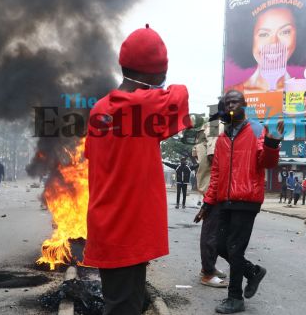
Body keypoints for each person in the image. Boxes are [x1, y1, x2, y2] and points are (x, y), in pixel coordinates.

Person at [84, 24, 191, 315]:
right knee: (123, 309)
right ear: (154, 73)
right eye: (162, 70)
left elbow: (92, 157)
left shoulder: (99, 110)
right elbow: (180, 95)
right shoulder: (145, 106)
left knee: (122, 304)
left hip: (107, 226)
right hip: (129, 231)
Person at [194, 90, 283, 314]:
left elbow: (266, 163)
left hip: (247, 199)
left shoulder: (256, 129)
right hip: (224, 200)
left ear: (244, 104)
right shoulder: (223, 137)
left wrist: (272, 143)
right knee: (220, 245)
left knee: (234, 248)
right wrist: (207, 203)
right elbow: (216, 174)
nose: (230, 105)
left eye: (235, 101)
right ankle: (252, 272)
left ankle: (235, 298)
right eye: (226, 102)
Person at [227, 3, 306, 94]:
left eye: (285, 32)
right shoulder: (232, 96)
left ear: (299, 36)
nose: (274, 43)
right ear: (249, 39)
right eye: (264, 34)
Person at [194, 115, 229, 288]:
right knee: (212, 231)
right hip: (215, 186)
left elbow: (197, 155)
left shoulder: (205, 127)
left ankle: (208, 268)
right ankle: (207, 273)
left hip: (209, 184)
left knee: (214, 230)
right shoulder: (216, 126)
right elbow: (214, 156)